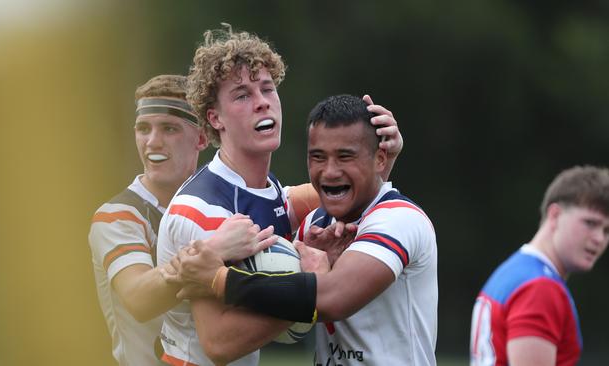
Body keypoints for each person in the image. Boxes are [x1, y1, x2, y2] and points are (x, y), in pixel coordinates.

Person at [155, 26, 404, 366]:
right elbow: (219, 344)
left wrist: (381, 160)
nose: (262, 103)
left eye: (267, 89)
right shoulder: (203, 210)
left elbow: (344, 193)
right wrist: (312, 288)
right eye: (242, 95)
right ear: (215, 118)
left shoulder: (267, 190)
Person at [167, 94, 437, 366]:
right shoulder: (316, 225)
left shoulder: (399, 219)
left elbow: (331, 298)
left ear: (380, 159)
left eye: (345, 157)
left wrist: (219, 279)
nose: (329, 171)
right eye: (318, 157)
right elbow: (289, 306)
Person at [88, 74, 278, 366]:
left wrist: (371, 155)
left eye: (169, 129)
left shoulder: (224, 198)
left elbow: (302, 196)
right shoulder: (118, 216)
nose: (152, 141)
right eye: (143, 129)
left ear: (202, 137)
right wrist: (210, 252)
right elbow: (139, 299)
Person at [470, 166, 609, 366]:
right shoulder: (541, 287)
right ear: (555, 215)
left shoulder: (515, 269)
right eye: (590, 223)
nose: (599, 238)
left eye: (606, 230)